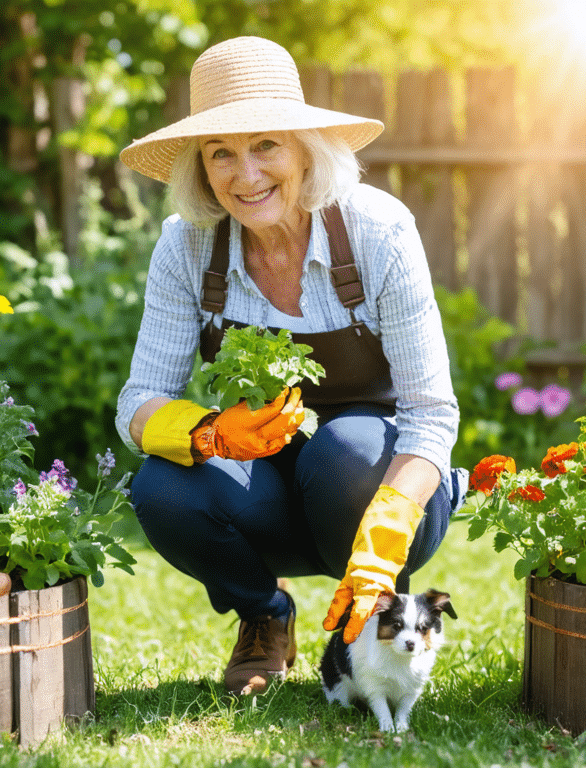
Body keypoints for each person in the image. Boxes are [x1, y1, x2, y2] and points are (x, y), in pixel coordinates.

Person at [115, 35, 468, 697]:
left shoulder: (376, 232)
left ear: (305, 149)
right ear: (202, 167)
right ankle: (264, 616)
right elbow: (137, 400)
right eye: (222, 153)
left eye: (266, 146)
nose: (245, 175)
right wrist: (209, 435)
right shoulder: (187, 246)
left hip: (373, 481)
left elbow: (431, 415)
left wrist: (385, 534)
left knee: (344, 450)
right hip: (267, 491)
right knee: (163, 486)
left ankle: (370, 612)